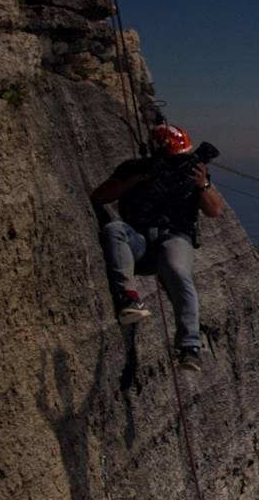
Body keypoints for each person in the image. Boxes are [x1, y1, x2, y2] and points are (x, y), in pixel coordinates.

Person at [90, 124, 223, 371]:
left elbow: (214, 210)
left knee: (177, 271)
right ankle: (128, 299)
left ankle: (190, 345)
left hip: (174, 237)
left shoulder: (194, 173)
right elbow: (100, 195)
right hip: (138, 240)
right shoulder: (135, 169)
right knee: (114, 230)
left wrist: (202, 184)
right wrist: (139, 178)